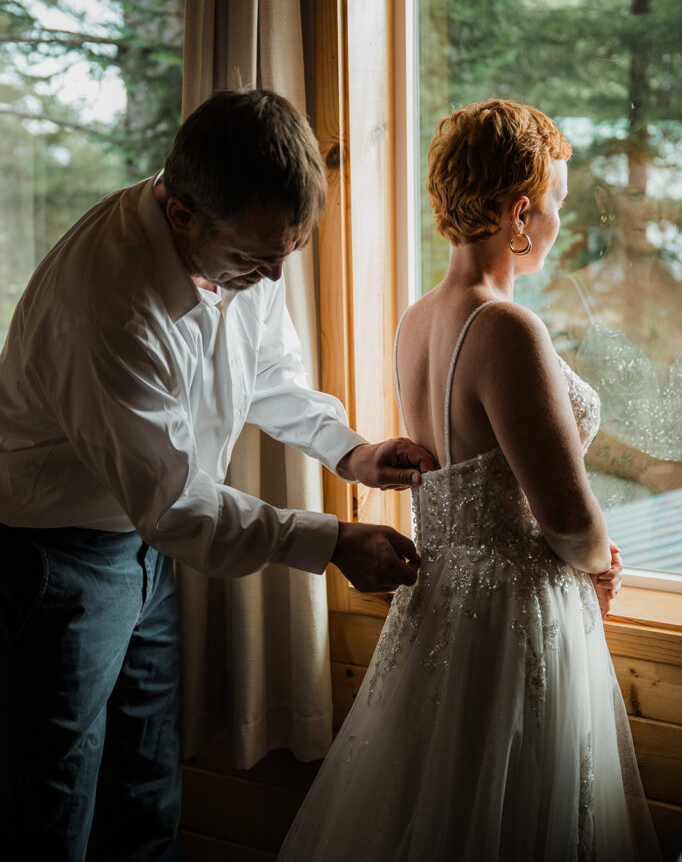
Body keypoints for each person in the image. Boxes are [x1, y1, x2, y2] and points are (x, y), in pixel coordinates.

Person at [0, 89, 434, 861]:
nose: (270, 280)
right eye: (252, 260)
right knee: (53, 798)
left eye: (285, 257)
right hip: (55, 560)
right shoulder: (107, 305)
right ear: (181, 215)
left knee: (147, 785)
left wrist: (350, 450)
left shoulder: (241, 249)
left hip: (146, 546)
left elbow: (266, 370)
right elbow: (175, 502)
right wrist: (331, 540)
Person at [277, 99, 661, 861]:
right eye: (554, 202)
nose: (556, 220)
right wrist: (603, 561)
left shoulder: (415, 319)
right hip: (518, 619)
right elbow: (569, 520)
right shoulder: (506, 327)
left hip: (442, 608)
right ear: (520, 211)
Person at [540, 177, 681, 567]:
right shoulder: (569, 297)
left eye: (665, 194)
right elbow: (553, 422)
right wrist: (656, 472)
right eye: (638, 193)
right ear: (607, 201)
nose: (653, 209)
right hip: (614, 520)